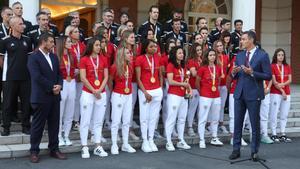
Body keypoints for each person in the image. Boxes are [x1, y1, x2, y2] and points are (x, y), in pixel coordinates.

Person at [229, 31, 272, 161]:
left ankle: (254, 151)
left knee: (254, 124)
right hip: (239, 93)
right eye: (241, 39)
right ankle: (236, 150)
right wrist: (234, 72)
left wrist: (253, 73)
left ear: (251, 40)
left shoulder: (262, 55)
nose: (241, 41)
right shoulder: (240, 55)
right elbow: (235, 75)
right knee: (237, 123)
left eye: (243, 39)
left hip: (254, 94)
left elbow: (268, 75)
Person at [28, 33, 66, 163]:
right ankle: (34, 151)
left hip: (55, 97)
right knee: (38, 125)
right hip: (41, 97)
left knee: (54, 124)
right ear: (43, 42)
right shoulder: (33, 57)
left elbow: (60, 74)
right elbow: (36, 77)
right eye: (50, 41)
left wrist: (60, 85)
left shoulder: (54, 57)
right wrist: (52, 87)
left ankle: (54, 149)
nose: (53, 44)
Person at [0, 16, 32, 136]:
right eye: (20, 24)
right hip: (9, 78)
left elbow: (29, 58)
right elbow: (1, 59)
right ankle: (6, 127)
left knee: (26, 103)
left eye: (22, 23)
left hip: (25, 77)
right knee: (7, 103)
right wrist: (9, 70)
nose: (23, 25)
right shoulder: (5, 40)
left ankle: (26, 126)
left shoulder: (27, 40)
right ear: (12, 26)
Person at [79, 37, 108, 158]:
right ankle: (84, 146)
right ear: (91, 46)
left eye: (99, 45)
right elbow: (83, 78)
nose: (99, 46)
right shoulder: (84, 59)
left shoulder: (104, 59)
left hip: (101, 93)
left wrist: (99, 90)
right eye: (96, 45)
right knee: (85, 121)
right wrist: (93, 90)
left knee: (98, 121)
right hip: (88, 93)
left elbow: (106, 76)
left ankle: (97, 146)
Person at [135, 39, 163, 153]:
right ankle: (145, 140)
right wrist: (145, 92)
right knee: (144, 118)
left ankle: (151, 139)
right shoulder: (140, 59)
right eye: (151, 46)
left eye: (155, 46)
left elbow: (160, 75)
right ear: (146, 48)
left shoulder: (158, 58)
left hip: (157, 90)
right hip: (145, 91)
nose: (154, 48)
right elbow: (138, 78)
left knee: (153, 118)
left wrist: (160, 88)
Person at [108, 46, 136, 155]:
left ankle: (125, 144)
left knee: (126, 121)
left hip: (128, 95)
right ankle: (114, 144)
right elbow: (110, 81)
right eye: (128, 53)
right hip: (118, 95)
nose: (130, 55)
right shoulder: (114, 67)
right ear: (122, 55)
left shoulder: (130, 65)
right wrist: (114, 92)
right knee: (115, 121)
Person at [195, 49, 224, 148]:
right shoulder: (202, 68)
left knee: (215, 118)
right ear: (207, 57)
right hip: (205, 96)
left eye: (214, 55)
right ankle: (201, 139)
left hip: (216, 96)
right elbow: (197, 82)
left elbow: (218, 81)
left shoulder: (218, 68)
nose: (212, 57)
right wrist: (202, 92)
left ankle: (214, 137)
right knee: (203, 118)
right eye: (210, 55)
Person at [165, 46, 191, 151]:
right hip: (174, 95)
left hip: (183, 95)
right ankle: (168, 141)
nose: (182, 55)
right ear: (174, 54)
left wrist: (188, 88)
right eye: (179, 53)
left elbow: (186, 81)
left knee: (181, 118)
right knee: (171, 118)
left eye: (182, 53)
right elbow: (170, 81)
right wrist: (183, 84)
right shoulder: (171, 65)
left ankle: (181, 140)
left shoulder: (183, 66)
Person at [56, 36, 77, 146]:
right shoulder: (57, 56)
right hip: (62, 83)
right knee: (60, 111)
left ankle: (66, 135)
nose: (71, 43)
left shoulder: (72, 55)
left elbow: (76, 69)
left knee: (70, 111)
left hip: (72, 82)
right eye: (69, 41)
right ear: (63, 43)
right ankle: (58, 136)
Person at [65, 25, 86, 131]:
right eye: (76, 32)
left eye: (78, 31)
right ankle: (68, 120)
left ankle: (76, 120)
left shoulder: (82, 45)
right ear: (70, 34)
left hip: (81, 74)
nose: (79, 33)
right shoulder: (67, 46)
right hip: (70, 75)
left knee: (79, 98)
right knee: (71, 98)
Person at [269, 48, 292, 143]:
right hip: (276, 93)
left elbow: (290, 79)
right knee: (274, 114)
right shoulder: (272, 66)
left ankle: (283, 133)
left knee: (284, 114)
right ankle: (273, 133)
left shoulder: (287, 66)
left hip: (287, 92)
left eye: (282, 55)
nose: (281, 56)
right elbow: (274, 81)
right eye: (279, 55)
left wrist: (282, 86)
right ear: (276, 56)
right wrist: (282, 91)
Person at [186, 43, 202, 137]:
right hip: (193, 87)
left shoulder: (202, 60)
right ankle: (189, 127)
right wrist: (203, 71)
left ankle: (200, 127)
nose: (199, 52)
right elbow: (194, 73)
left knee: (200, 109)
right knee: (192, 108)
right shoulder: (191, 61)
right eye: (197, 50)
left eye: (200, 50)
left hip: (201, 87)